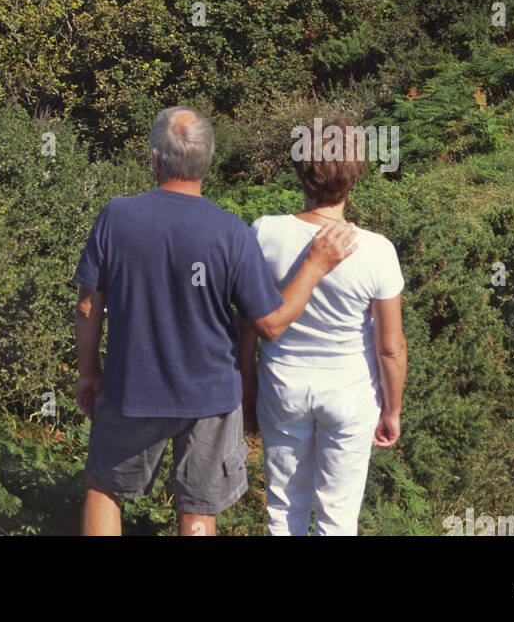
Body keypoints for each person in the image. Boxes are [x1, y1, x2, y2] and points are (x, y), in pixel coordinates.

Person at [73, 105, 358, 537]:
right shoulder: (231, 232)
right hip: (209, 395)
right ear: (207, 163)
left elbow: (88, 306)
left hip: (132, 386)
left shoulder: (116, 216)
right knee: (198, 508)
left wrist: (88, 372)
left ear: (155, 159)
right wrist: (316, 265)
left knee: (104, 488)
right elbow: (272, 324)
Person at [238, 115, 406, 536]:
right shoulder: (377, 250)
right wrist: (392, 408)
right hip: (350, 390)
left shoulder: (264, 233)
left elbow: (244, 322)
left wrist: (245, 383)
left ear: (301, 169)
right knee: (338, 518)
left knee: (283, 509)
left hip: (282, 384)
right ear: (357, 175)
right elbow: (390, 348)